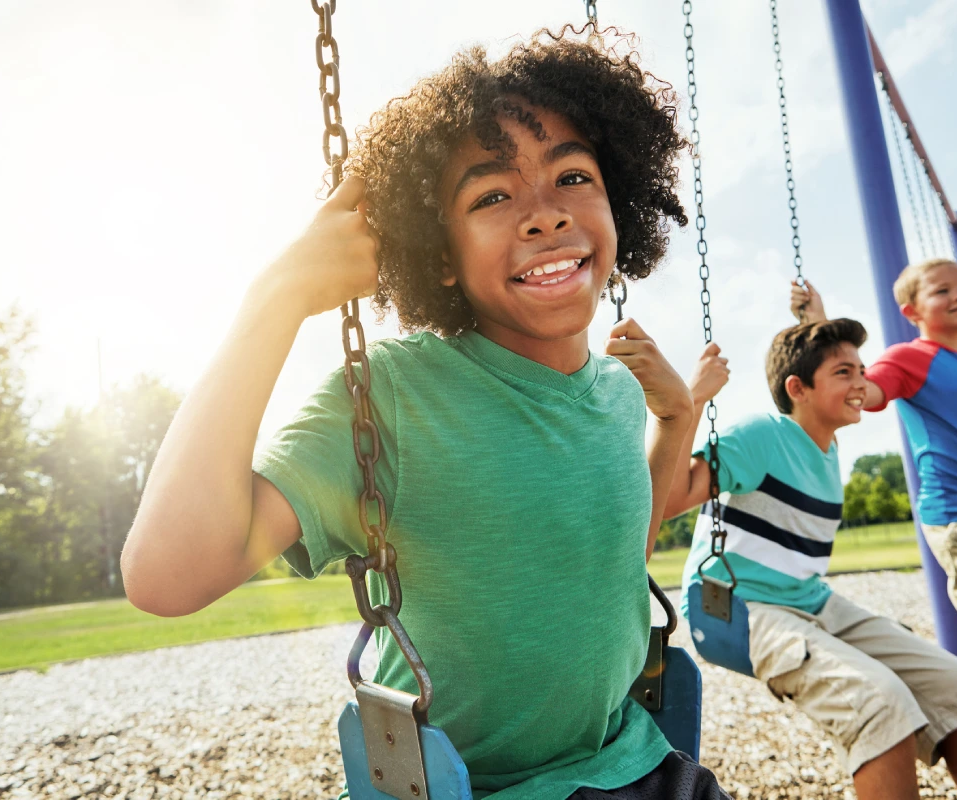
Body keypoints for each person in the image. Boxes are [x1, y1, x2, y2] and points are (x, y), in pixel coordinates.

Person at [121, 30, 730, 800]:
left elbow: (608, 562)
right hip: (473, 790)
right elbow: (167, 576)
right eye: (492, 195)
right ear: (439, 254)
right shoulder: (390, 399)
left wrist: (675, 423)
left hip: (633, 765)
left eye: (572, 176)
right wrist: (273, 301)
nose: (543, 215)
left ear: (620, 206)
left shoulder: (615, 393)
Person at [664, 320, 957, 800]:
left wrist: (814, 315)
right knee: (878, 702)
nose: (861, 384)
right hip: (736, 609)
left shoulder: (828, 448)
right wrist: (693, 400)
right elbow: (670, 498)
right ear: (798, 389)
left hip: (811, 604)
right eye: (845, 373)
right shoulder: (763, 434)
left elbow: (825, 363)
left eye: (862, 370)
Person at [793, 259, 957, 796]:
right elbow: (864, 392)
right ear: (912, 310)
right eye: (942, 289)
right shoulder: (911, 357)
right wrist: (820, 328)